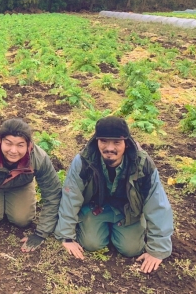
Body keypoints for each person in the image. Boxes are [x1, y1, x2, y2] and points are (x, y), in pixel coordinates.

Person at [54, 116, 173, 273]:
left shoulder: (143, 165)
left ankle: (130, 229)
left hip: (127, 212)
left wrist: (157, 250)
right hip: (96, 208)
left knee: (131, 249)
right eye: (103, 141)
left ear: (126, 143)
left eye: (116, 142)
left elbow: (157, 204)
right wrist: (67, 237)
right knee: (91, 244)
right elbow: (71, 196)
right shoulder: (83, 161)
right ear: (97, 141)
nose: (109, 148)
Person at [0, 118, 62, 252]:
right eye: (8, 143)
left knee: (22, 220)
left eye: (20, 145)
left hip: (21, 185)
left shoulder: (39, 158)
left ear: (28, 145)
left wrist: (41, 233)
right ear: (0, 140)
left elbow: (52, 194)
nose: (13, 150)